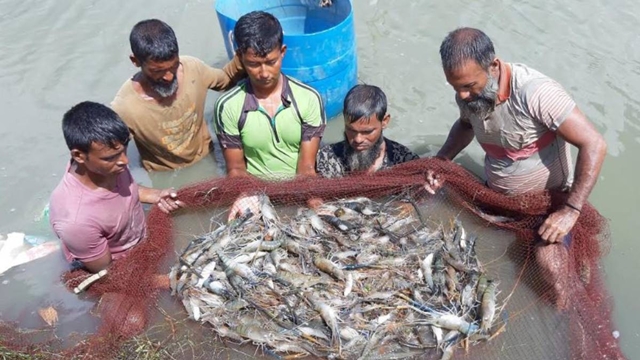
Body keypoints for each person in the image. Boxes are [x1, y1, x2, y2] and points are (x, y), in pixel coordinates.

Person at [434, 28, 607, 307]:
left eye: (468, 86)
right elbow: (466, 125)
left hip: (548, 204)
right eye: (455, 87)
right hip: (498, 197)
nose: (463, 95)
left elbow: (595, 145)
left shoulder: (536, 93)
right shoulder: (468, 94)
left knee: (549, 265)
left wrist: (571, 211)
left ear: (493, 66)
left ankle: (563, 314)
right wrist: (442, 159)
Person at [212, 11, 326, 219]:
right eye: (254, 64)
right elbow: (236, 169)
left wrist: (314, 200)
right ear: (239, 57)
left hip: (301, 189)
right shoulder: (227, 106)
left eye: (271, 62)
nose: (264, 73)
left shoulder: (309, 99)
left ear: (282, 52)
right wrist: (245, 194)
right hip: (255, 195)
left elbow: (307, 166)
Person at [49, 101, 183, 274]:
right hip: (117, 267)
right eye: (110, 157)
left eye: (124, 150)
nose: (125, 161)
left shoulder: (106, 163)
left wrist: (155, 195)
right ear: (79, 156)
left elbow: (124, 187)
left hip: (138, 238)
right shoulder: (76, 222)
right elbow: (109, 274)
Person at [111, 19, 245, 172]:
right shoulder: (125, 108)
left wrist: (244, 56)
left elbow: (226, 79)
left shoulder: (193, 69)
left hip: (208, 158)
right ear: (135, 61)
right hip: (166, 175)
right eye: (157, 71)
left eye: (173, 66)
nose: (168, 77)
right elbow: (112, 156)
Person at [316, 84, 419, 178]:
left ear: (384, 121)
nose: (358, 139)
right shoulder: (327, 157)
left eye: (367, 132)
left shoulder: (404, 161)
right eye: (351, 130)